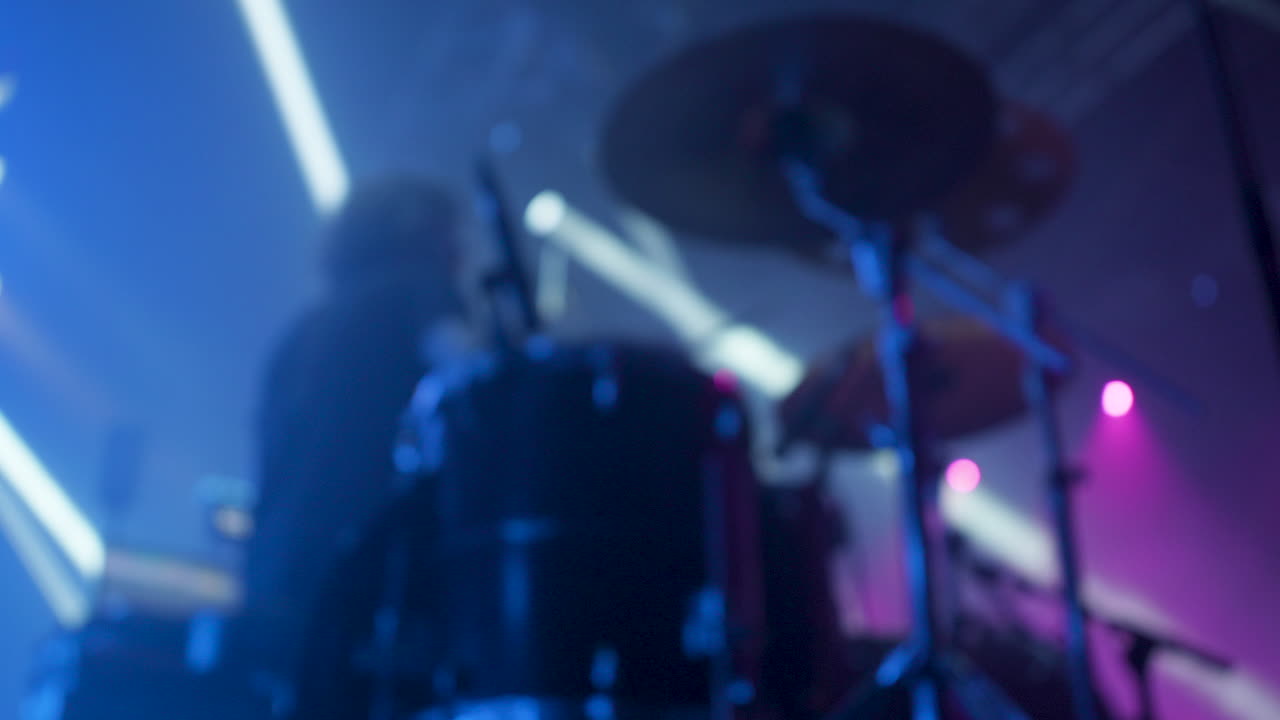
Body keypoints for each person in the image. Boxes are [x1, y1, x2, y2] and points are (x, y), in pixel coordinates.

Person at [240, 175, 473, 679]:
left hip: (272, 579)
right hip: (358, 577)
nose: (462, 253)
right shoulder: (419, 287)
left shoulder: (301, 330)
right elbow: (469, 378)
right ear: (424, 235)